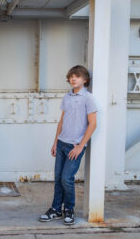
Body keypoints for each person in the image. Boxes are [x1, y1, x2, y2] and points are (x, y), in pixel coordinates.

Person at [38, 65, 97, 225]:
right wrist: (55, 142)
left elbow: (92, 124)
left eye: (77, 76)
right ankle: (56, 210)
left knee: (67, 179)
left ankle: (69, 209)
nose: (73, 79)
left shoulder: (88, 98)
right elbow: (62, 121)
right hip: (62, 143)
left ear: (85, 80)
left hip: (75, 146)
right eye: (71, 76)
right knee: (58, 178)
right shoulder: (67, 97)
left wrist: (80, 146)